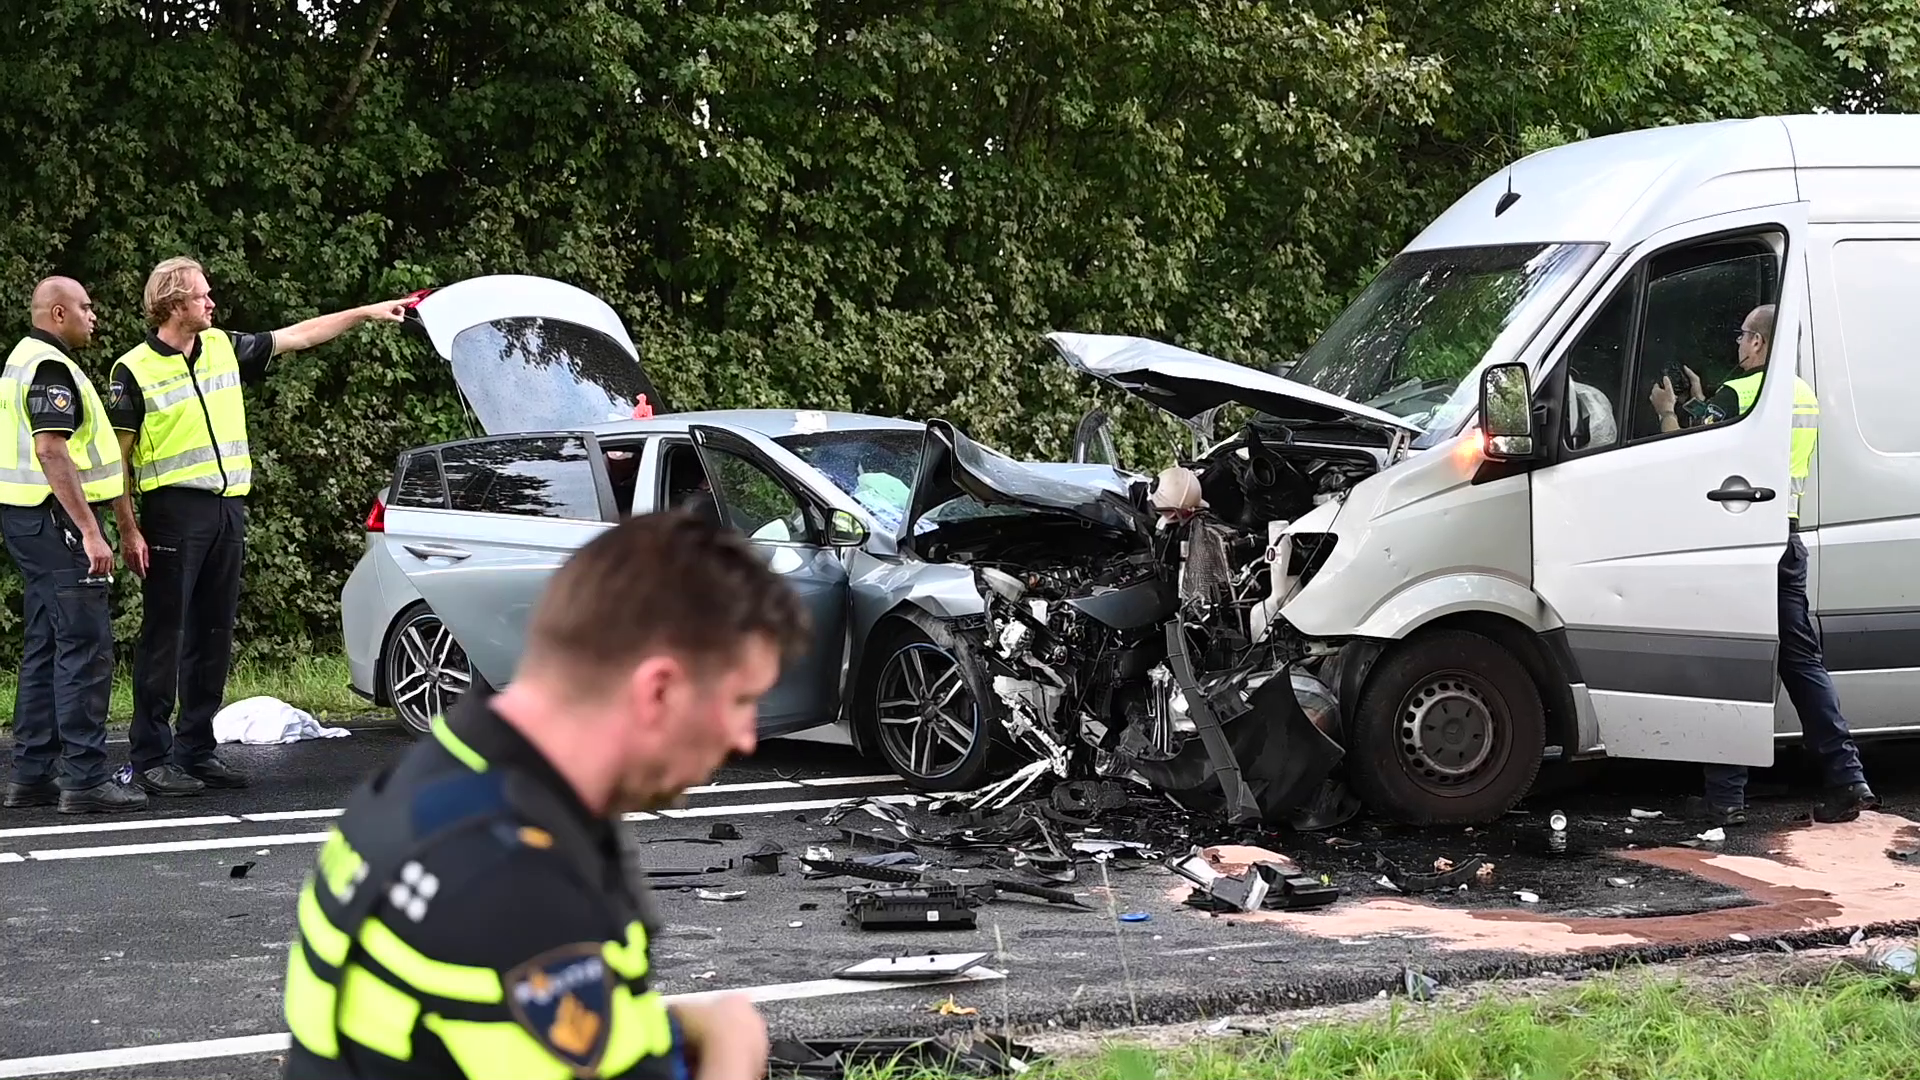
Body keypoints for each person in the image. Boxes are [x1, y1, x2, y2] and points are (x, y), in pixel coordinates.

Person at [280, 511, 807, 1079]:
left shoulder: (436, 781)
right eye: (739, 701)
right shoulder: (515, 880)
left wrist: (678, 1027)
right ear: (659, 690)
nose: (745, 737)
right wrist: (735, 1042)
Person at [109, 257, 410, 796]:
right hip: (172, 512)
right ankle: (151, 758)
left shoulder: (222, 346)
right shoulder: (132, 369)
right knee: (165, 636)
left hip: (228, 508)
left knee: (213, 634)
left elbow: (298, 336)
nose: (212, 303)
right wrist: (129, 530)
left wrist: (366, 312)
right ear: (176, 304)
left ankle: (195, 750)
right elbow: (119, 461)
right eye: (203, 296)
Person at [1651, 303, 1878, 825]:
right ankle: (1848, 779)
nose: (1738, 345)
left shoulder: (1741, 393)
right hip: (1786, 541)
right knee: (1802, 662)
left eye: (1742, 337)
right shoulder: (1802, 396)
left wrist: (1668, 409)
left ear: (1758, 343)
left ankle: (1725, 798)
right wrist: (1704, 400)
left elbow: (1682, 456)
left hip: (1740, 544)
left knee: (1732, 662)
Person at [0, 278, 147, 813]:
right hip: (55, 521)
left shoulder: (24, 359)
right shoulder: (50, 367)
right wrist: (90, 529)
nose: (94, 316)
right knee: (84, 647)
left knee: (45, 644)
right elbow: (51, 450)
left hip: (27, 521)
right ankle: (84, 778)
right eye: (86, 307)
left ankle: (33, 773)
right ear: (58, 313)